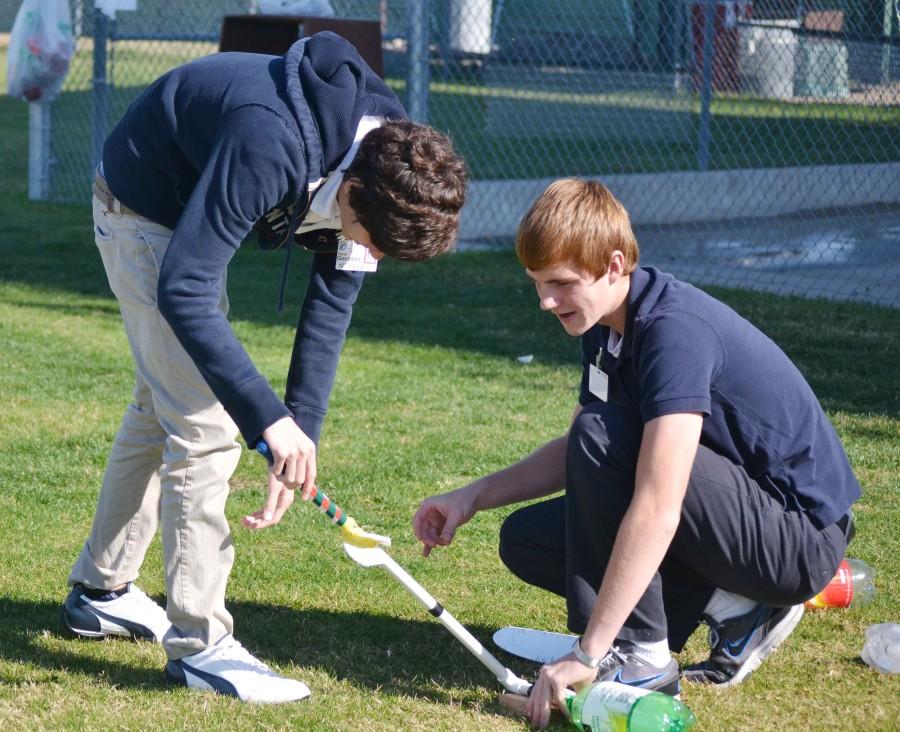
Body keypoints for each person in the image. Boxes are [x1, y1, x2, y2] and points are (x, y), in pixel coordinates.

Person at [61, 31, 468, 704]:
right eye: (370, 240)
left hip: (192, 203)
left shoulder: (387, 150)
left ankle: (101, 593)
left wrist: (297, 434)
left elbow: (333, 299)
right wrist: (264, 420)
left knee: (163, 404)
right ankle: (201, 646)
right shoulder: (270, 142)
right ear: (352, 190)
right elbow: (184, 289)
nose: (367, 255)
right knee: (204, 425)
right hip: (142, 206)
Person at [412, 179, 859, 727]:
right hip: (741, 520)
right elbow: (580, 450)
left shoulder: (674, 332)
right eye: (536, 283)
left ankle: (643, 659)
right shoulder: (605, 325)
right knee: (527, 540)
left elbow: (656, 503)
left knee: (611, 442)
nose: (546, 301)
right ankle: (735, 608)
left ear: (614, 264)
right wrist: (473, 496)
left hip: (798, 541)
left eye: (560, 283)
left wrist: (588, 652)